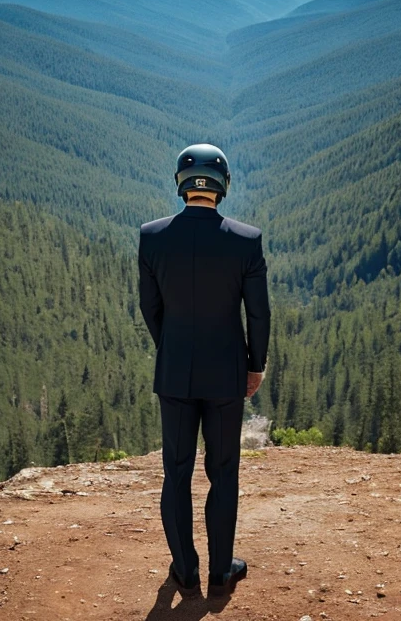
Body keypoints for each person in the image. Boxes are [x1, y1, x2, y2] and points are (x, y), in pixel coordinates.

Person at [137, 143, 271, 598]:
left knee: (176, 472)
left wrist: (171, 347)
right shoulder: (247, 240)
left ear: (181, 183)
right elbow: (258, 315)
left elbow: (149, 308)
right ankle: (220, 571)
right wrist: (254, 366)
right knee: (223, 471)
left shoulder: (151, 236)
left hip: (175, 373)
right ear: (223, 186)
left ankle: (185, 570)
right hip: (226, 376)